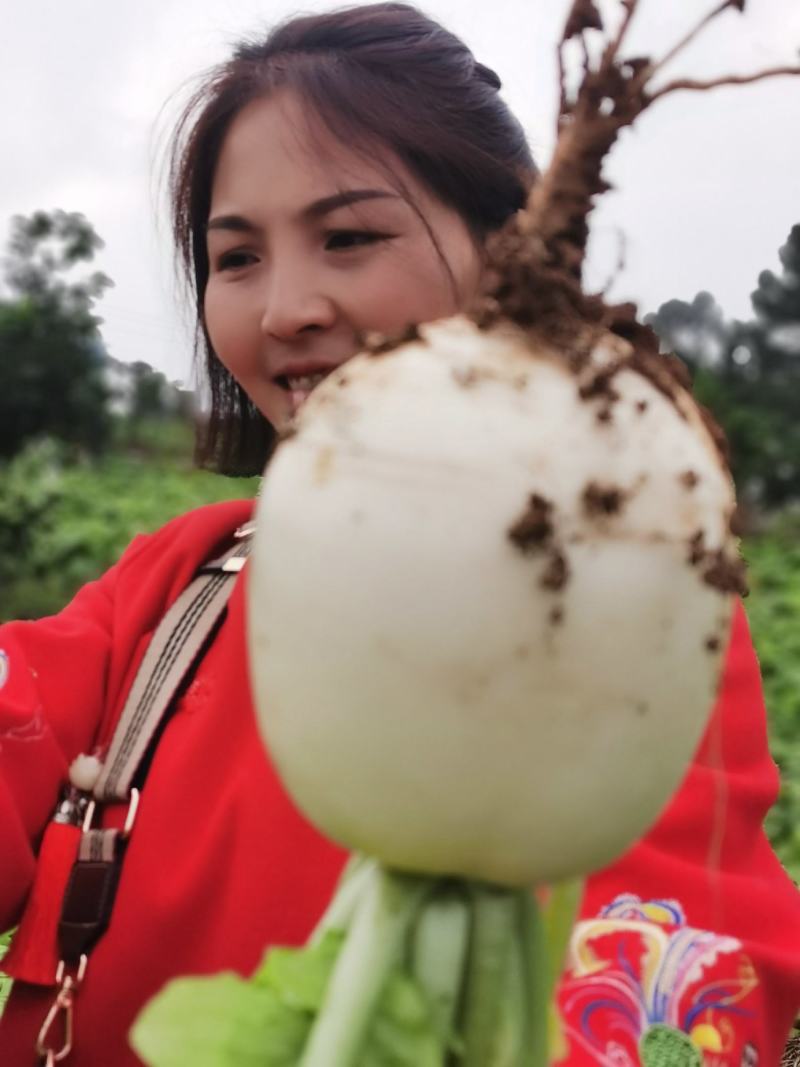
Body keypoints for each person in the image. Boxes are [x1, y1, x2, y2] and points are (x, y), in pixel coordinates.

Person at [1, 4, 798, 1065]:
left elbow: (686, 972)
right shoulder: (178, 581)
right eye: (235, 257)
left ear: (502, 255)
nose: (284, 306)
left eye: (348, 237)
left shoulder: (620, 584)